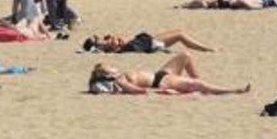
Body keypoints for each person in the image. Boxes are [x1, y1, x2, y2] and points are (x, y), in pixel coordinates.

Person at [87, 51, 250, 95]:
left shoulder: (120, 76)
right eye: (107, 67)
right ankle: (231, 90)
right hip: (161, 82)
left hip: (161, 73)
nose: (112, 66)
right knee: (197, 84)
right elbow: (140, 91)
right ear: (105, 74)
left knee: (185, 55)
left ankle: (204, 86)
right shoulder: (119, 80)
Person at [82, 29, 216, 53]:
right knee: (180, 35)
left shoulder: (107, 41)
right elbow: (119, 45)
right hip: (148, 44)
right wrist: (115, 40)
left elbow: (120, 41)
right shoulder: (106, 46)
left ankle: (205, 48)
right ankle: (206, 49)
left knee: (179, 32)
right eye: (95, 39)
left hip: (145, 41)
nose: (97, 37)